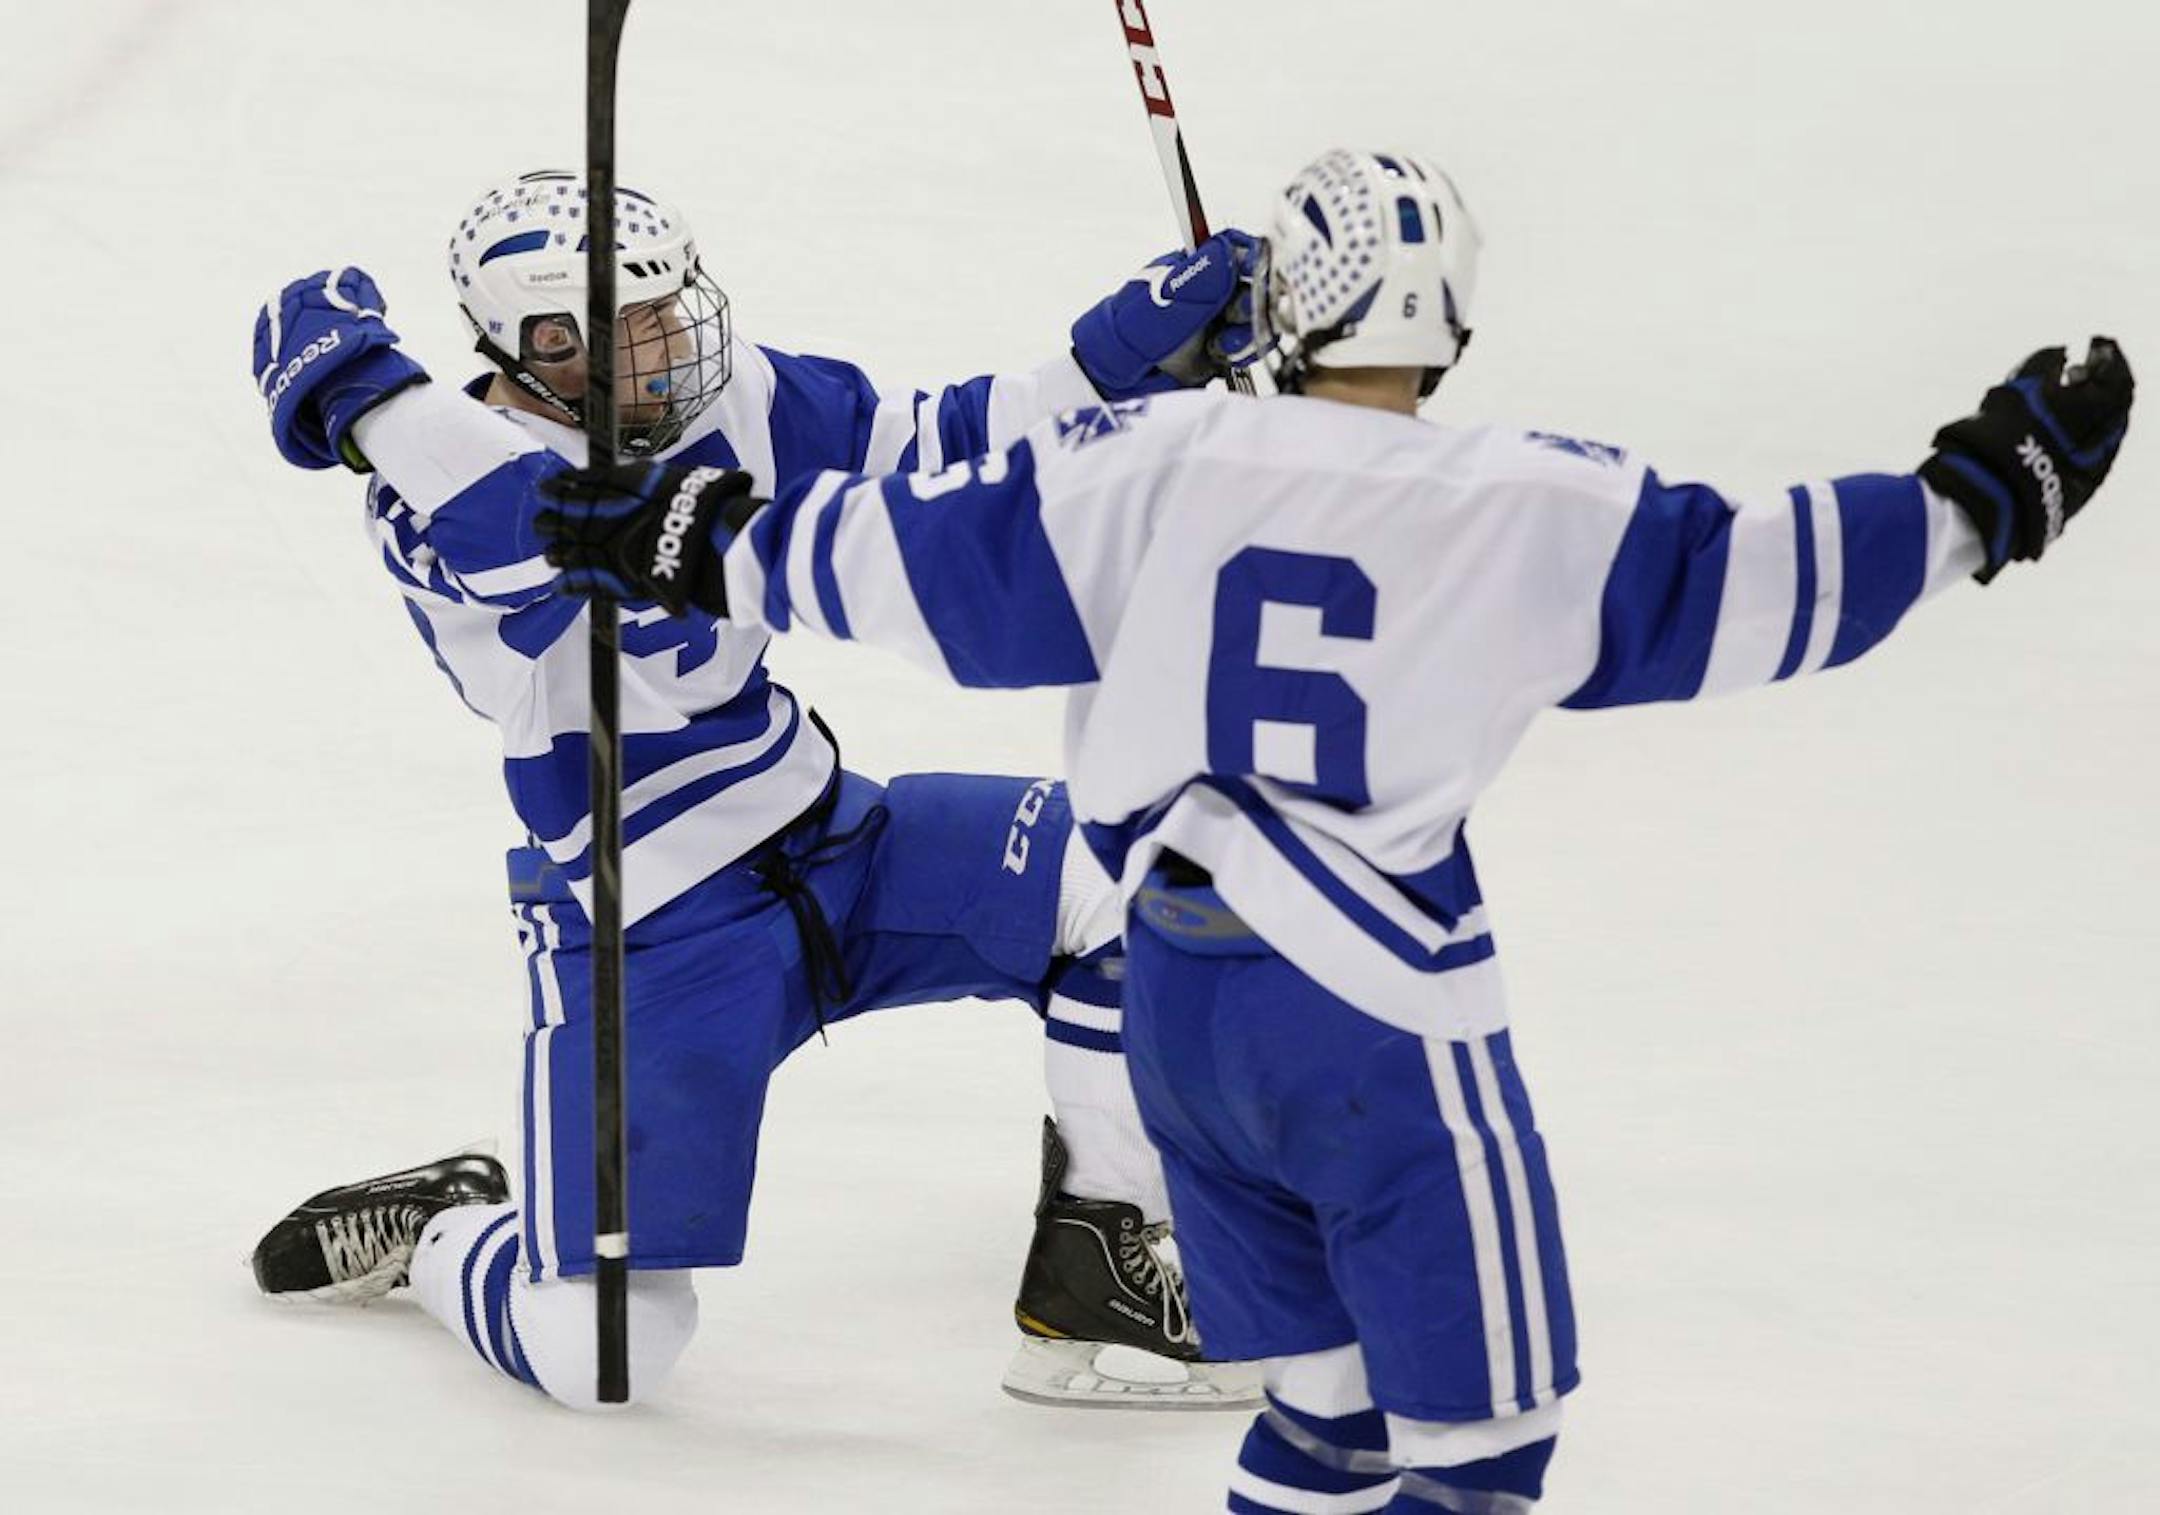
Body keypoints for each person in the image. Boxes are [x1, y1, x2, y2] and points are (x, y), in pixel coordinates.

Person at [531, 146, 2134, 1508]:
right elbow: (1759, 578)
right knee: (1482, 1449)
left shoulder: (1142, 461)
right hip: (1375, 1013)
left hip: (1175, 1004)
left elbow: (914, 563)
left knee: (1331, 1412)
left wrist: (698, 534)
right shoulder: (1528, 504)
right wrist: (1982, 498)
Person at [244, 169, 1270, 1411]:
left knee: (1166, 876)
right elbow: (519, 519)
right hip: (650, 932)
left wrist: (1120, 359)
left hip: (838, 839)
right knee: (605, 1350)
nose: (680, 342)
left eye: (674, 305)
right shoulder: (430, 493)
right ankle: (458, 1229)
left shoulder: (728, 393)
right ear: (544, 347)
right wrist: (361, 390)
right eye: (637, 326)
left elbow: (938, 443)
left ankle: (1096, 1267)